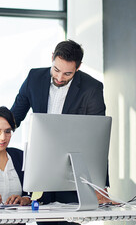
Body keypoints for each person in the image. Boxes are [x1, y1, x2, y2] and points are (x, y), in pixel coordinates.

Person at [10, 40, 109, 224]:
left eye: (67, 73)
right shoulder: (34, 78)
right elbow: (14, 116)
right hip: (42, 168)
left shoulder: (92, 88)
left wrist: (99, 183)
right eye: (56, 69)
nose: (60, 77)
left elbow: (98, 138)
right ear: (52, 59)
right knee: (43, 220)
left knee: (69, 221)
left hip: (73, 173)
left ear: (78, 68)